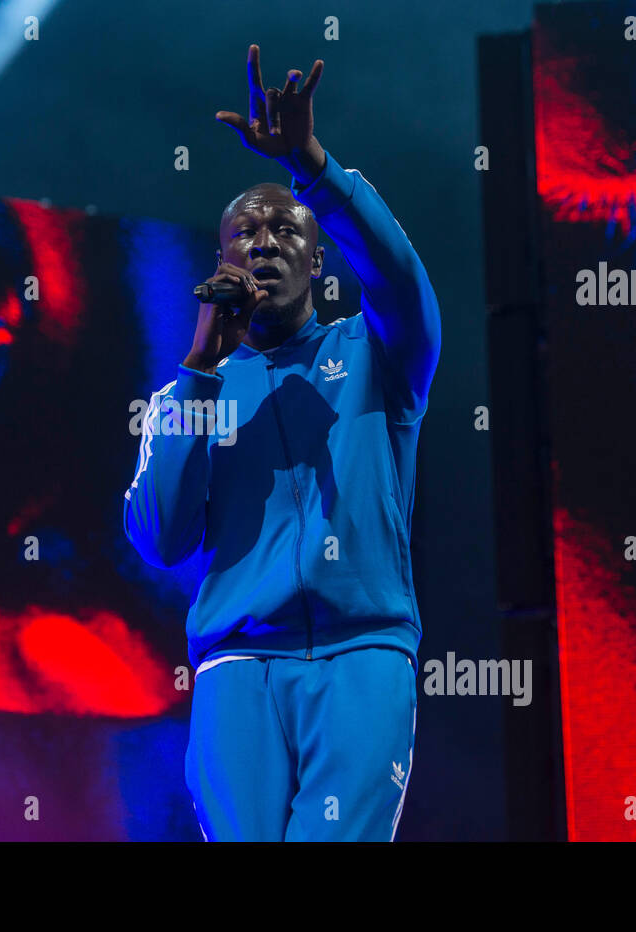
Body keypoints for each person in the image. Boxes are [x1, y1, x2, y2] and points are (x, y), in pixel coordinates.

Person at [123, 45, 441, 841]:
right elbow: (160, 537)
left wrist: (310, 165)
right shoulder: (187, 394)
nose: (264, 240)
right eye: (243, 233)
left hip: (361, 653)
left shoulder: (376, 354)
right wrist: (202, 366)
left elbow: (402, 279)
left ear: (320, 255)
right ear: (221, 262)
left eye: (285, 227)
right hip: (237, 669)